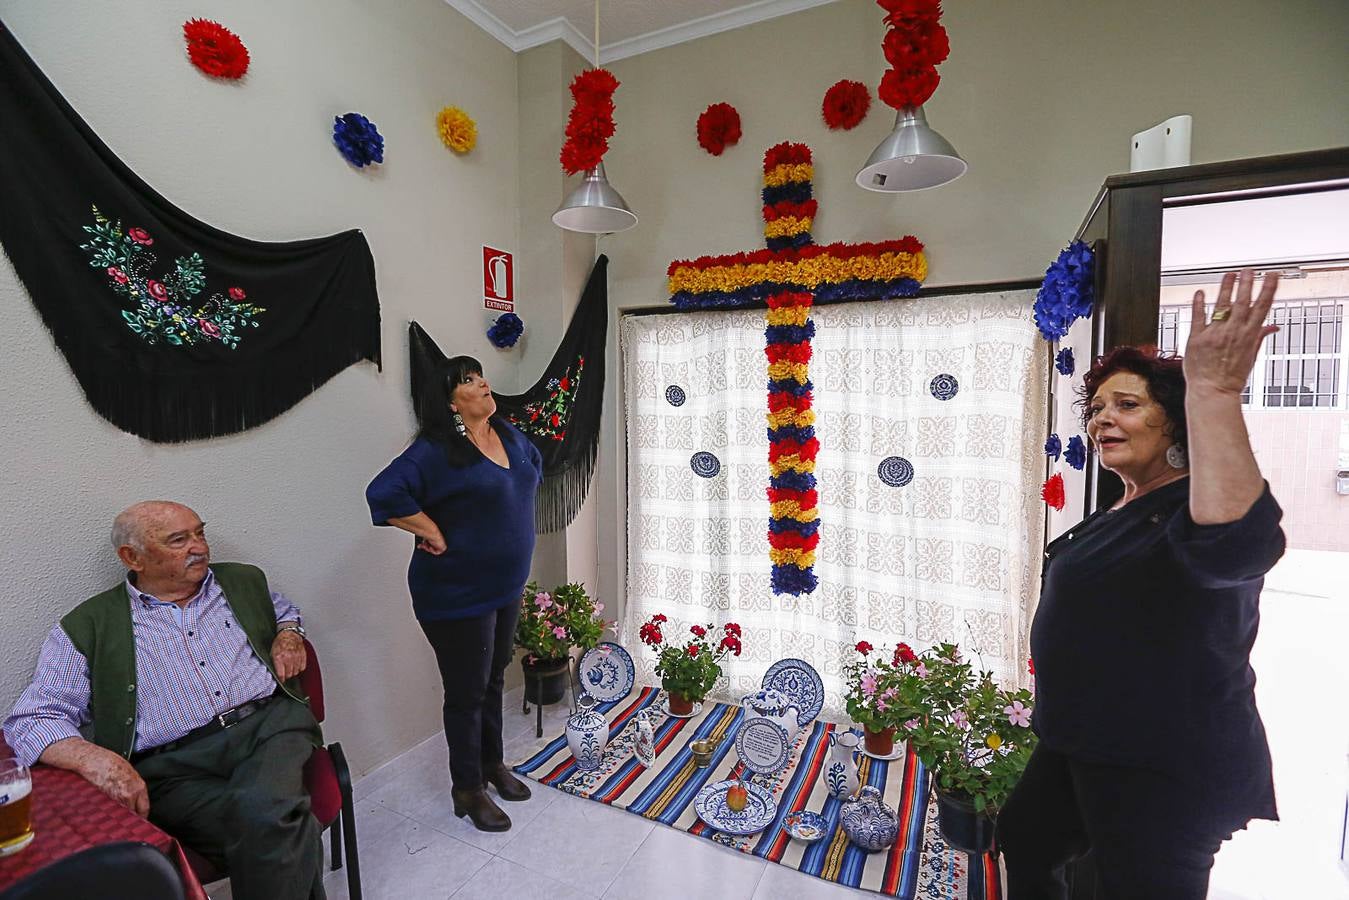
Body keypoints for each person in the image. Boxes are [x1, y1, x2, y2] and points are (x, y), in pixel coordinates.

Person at [998, 270, 1286, 898]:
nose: (1103, 419)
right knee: (1025, 837)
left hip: (1160, 760)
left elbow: (1237, 547)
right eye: (1097, 408)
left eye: (1127, 405)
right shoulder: (1125, 502)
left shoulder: (1195, 504)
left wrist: (1213, 393)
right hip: (1083, 739)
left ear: (1174, 422)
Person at [3, 501, 325, 900]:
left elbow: (284, 611)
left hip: (269, 729)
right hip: (173, 769)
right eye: (179, 539)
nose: (200, 547)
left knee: (264, 811)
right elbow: (31, 718)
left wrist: (289, 633)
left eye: (200, 532)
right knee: (287, 825)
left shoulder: (241, 581)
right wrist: (98, 759)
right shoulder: (88, 626)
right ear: (131, 557)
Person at [365, 355, 540, 832]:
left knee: (494, 679)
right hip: (457, 593)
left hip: (506, 585)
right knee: (466, 692)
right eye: (468, 380)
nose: (482, 383)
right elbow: (383, 492)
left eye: (480, 375)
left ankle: (492, 764)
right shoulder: (435, 450)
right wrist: (430, 529)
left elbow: (530, 475)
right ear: (449, 401)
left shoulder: (508, 435)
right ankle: (467, 788)